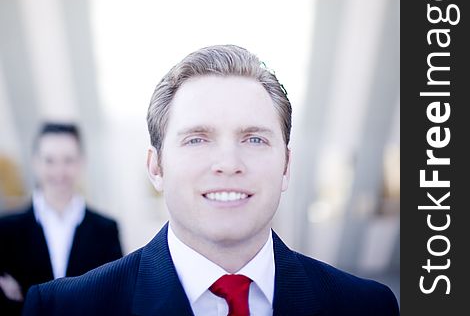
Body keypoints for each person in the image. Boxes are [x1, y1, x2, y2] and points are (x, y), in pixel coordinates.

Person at [22, 45, 399, 315]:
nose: (228, 163)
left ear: (285, 166)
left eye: (253, 138)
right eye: (197, 139)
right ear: (156, 168)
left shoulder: (367, 306)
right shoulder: (61, 308)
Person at [0, 122, 123, 315]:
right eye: (50, 160)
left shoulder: (106, 230)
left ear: (81, 163)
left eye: (68, 160)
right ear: (35, 162)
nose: (59, 171)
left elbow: (114, 296)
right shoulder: (5, 230)